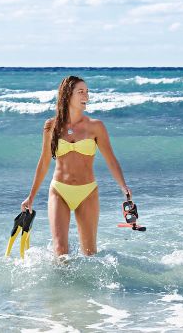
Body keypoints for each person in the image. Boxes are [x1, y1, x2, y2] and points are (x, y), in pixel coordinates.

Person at [21, 75, 131, 256]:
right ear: (67, 95)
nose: (86, 96)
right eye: (81, 92)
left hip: (87, 191)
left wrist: (123, 186)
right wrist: (31, 196)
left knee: (90, 253)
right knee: (60, 250)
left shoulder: (96, 127)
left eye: (87, 92)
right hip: (59, 190)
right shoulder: (51, 126)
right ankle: (59, 285)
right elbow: (44, 162)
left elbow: (111, 159)